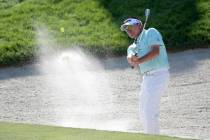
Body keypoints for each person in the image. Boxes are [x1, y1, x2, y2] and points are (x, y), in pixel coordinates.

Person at [120, 18, 170, 135]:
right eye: (126, 29)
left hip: (159, 75)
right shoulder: (132, 46)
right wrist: (132, 59)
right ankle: (151, 135)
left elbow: (155, 51)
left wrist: (139, 60)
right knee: (142, 112)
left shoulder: (151, 32)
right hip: (146, 79)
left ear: (139, 25)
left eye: (130, 27)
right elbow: (131, 59)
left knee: (149, 111)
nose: (128, 30)